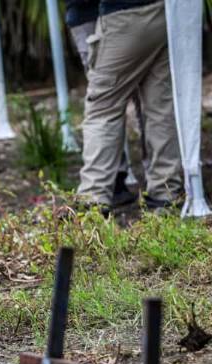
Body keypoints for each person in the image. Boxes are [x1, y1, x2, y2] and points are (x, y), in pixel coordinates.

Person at [76, 0, 183, 211]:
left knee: (103, 108)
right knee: (160, 107)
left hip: (122, 15)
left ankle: (93, 199)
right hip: (163, 10)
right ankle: (166, 194)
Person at [64, 0, 138, 208]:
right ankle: (113, 185)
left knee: (106, 107)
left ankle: (109, 188)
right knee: (104, 105)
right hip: (90, 13)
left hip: (122, 11)